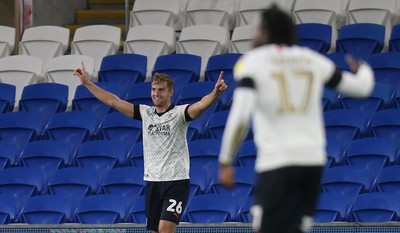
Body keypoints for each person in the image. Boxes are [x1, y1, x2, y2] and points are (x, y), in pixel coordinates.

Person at [218, 4, 374, 233]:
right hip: (312, 163)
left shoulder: (252, 62)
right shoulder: (311, 60)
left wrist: (226, 160)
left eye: (257, 29)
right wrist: (363, 69)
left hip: (277, 162)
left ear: (266, 32)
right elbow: (361, 88)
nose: (253, 34)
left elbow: (241, 116)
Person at [74, 65, 227, 233]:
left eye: (161, 90)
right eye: (154, 89)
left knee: (165, 229)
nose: (156, 93)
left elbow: (200, 105)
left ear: (171, 93)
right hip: (153, 181)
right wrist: (87, 83)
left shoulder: (179, 113)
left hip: (176, 182)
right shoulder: (145, 113)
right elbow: (114, 101)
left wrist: (215, 93)